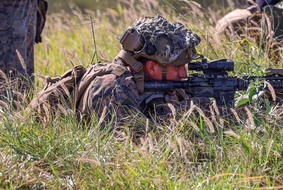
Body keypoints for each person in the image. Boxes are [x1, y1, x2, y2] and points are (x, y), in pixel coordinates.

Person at [28, 15, 204, 127]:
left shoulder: (165, 85)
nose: (183, 74)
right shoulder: (111, 87)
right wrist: (191, 114)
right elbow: (130, 142)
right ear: (151, 66)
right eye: (177, 67)